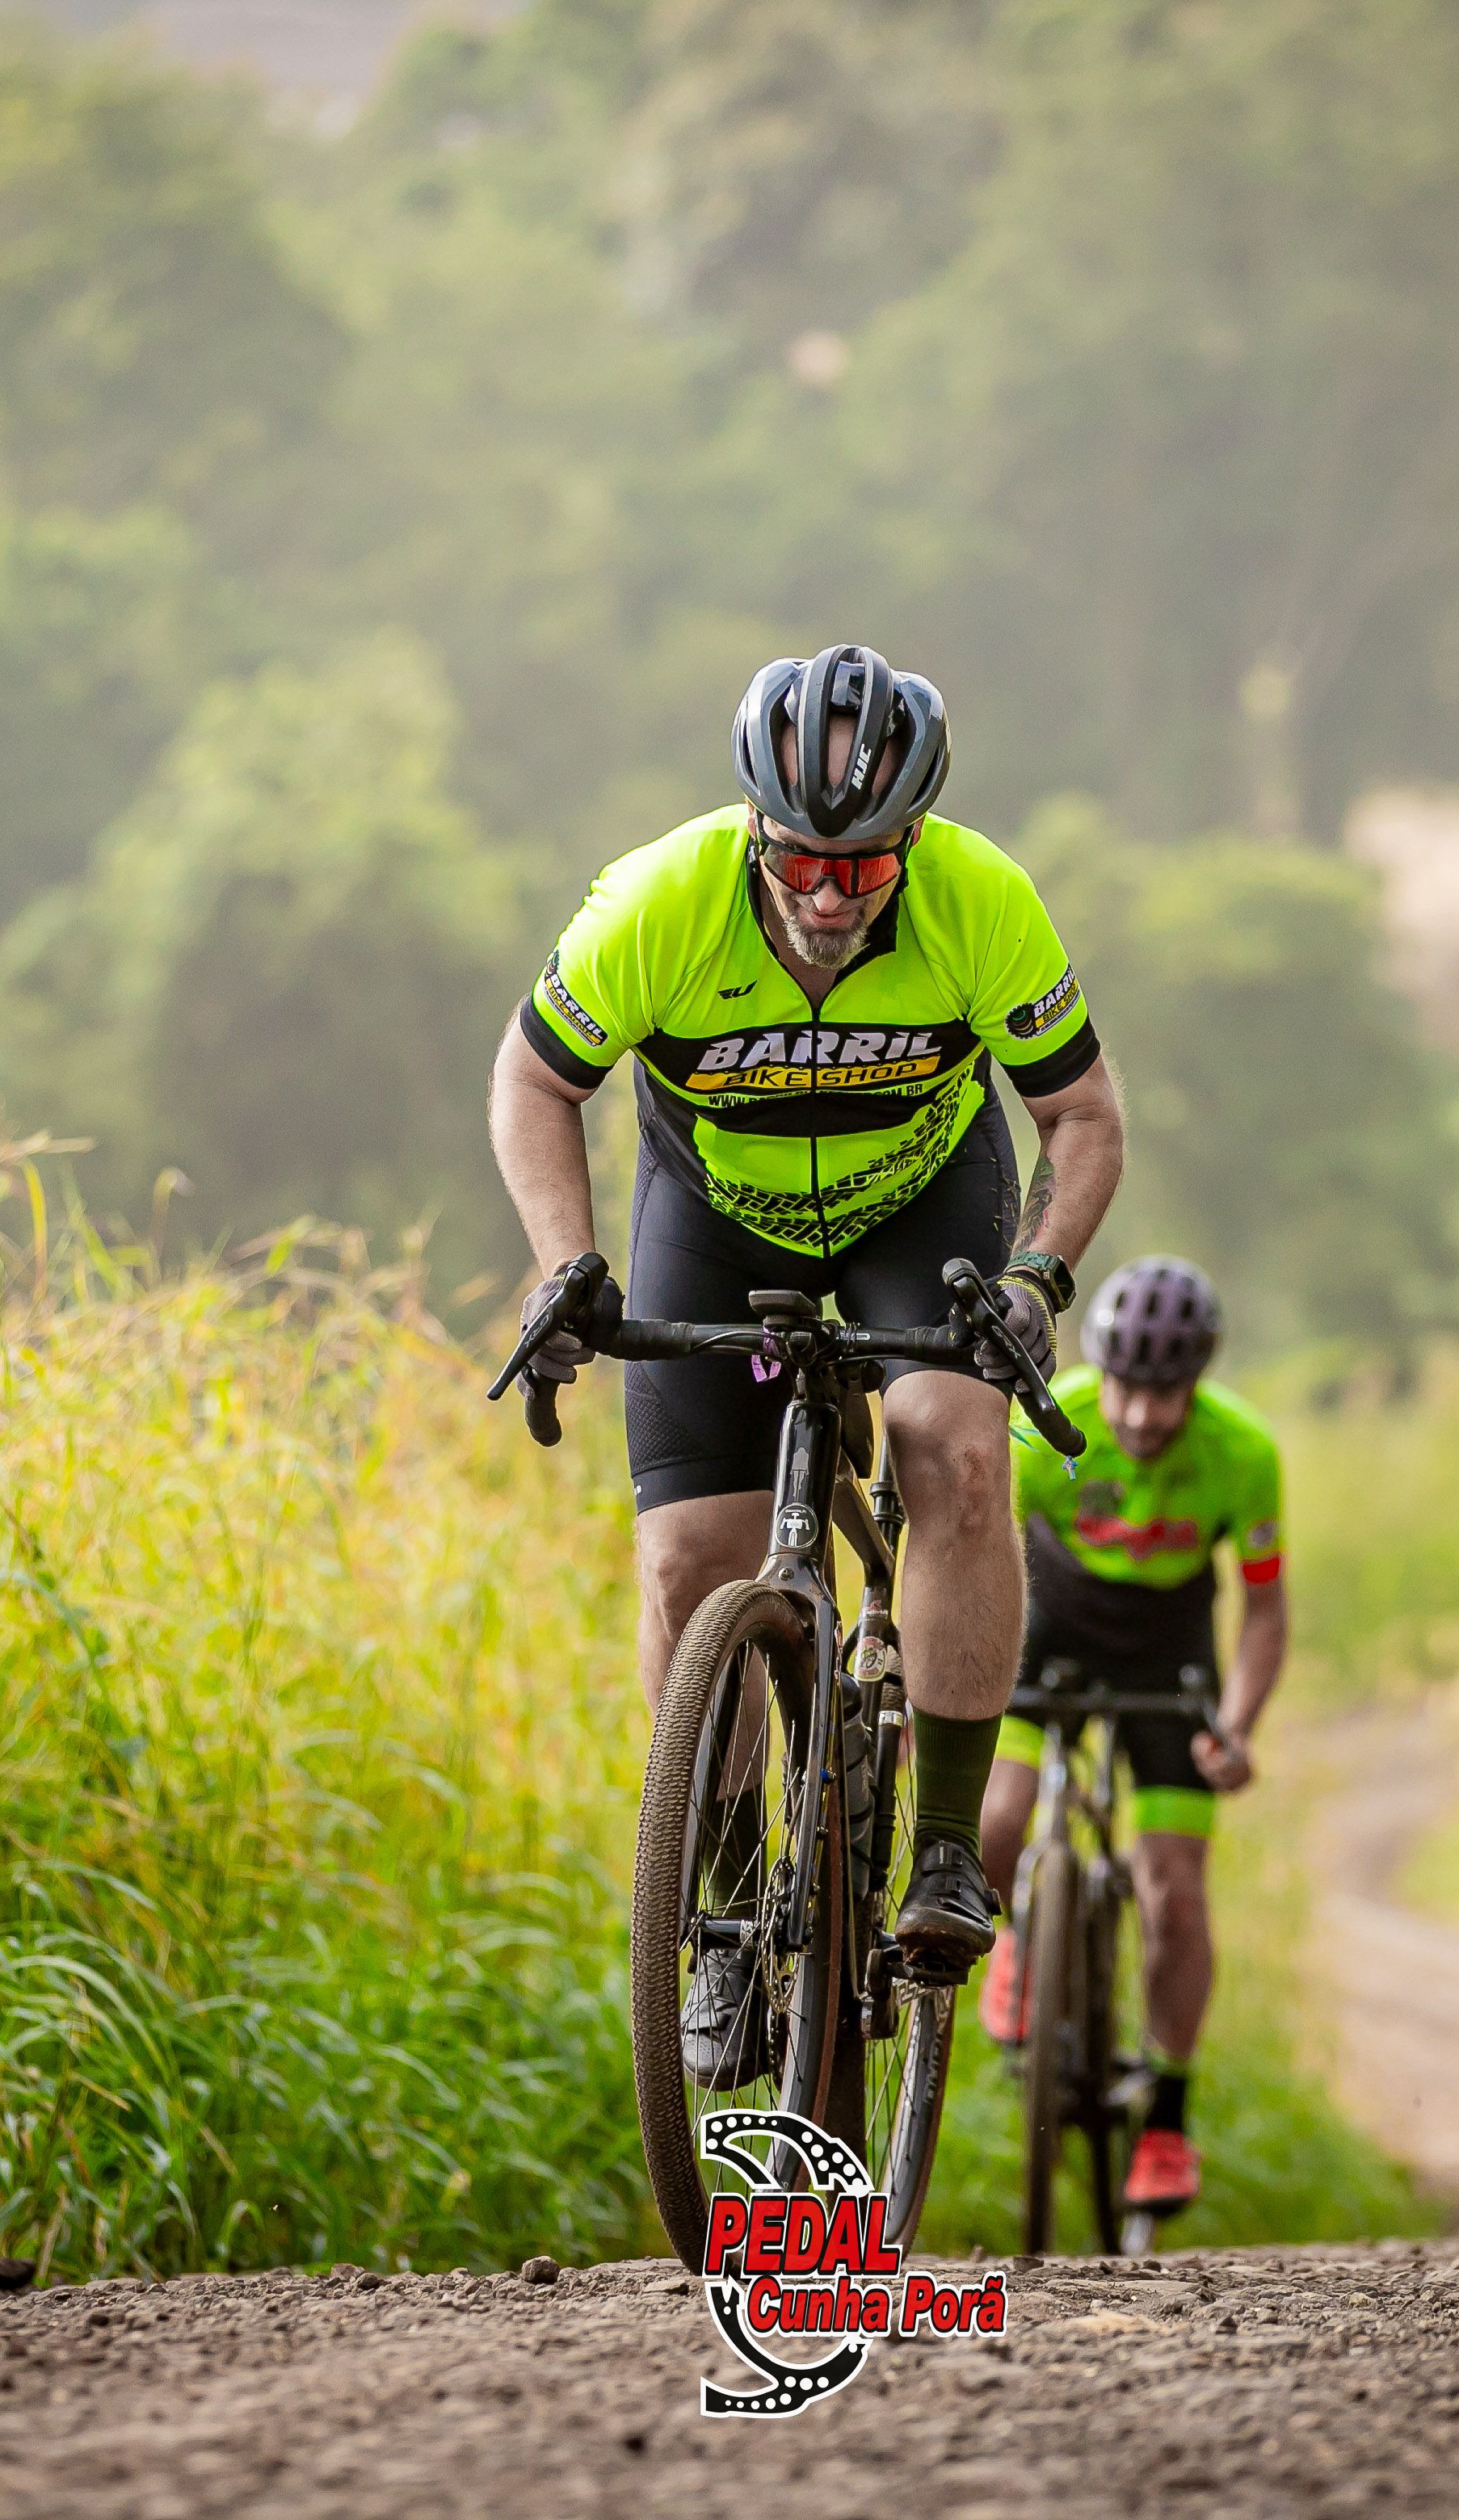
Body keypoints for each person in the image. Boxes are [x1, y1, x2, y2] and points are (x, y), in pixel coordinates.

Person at [487, 644, 1129, 2068]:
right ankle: (721, 1925)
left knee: (955, 1453)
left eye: (867, 868)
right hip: (713, 1213)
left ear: (916, 845)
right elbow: (535, 1079)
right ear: (753, 829)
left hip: (923, 1211)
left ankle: (947, 1846)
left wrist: (1037, 1279)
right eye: (799, 862)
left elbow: (1083, 1118)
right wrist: (565, 1265)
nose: (830, 896)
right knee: (684, 1560)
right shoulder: (656, 902)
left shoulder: (984, 899)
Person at [975, 1257, 1285, 2219]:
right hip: (1046, 1624)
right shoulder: (1043, 1424)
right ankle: (1019, 1938)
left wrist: (1237, 1727)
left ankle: (1167, 2120)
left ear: (1198, 1382)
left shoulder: (1244, 1452)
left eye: (1168, 1394)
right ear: (1098, 1369)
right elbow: (968, 1563)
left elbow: (1265, 1614)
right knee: (996, 1820)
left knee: (1173, 1895)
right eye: (1128, 1390)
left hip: (1168, 1649)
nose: (1145, 1416)